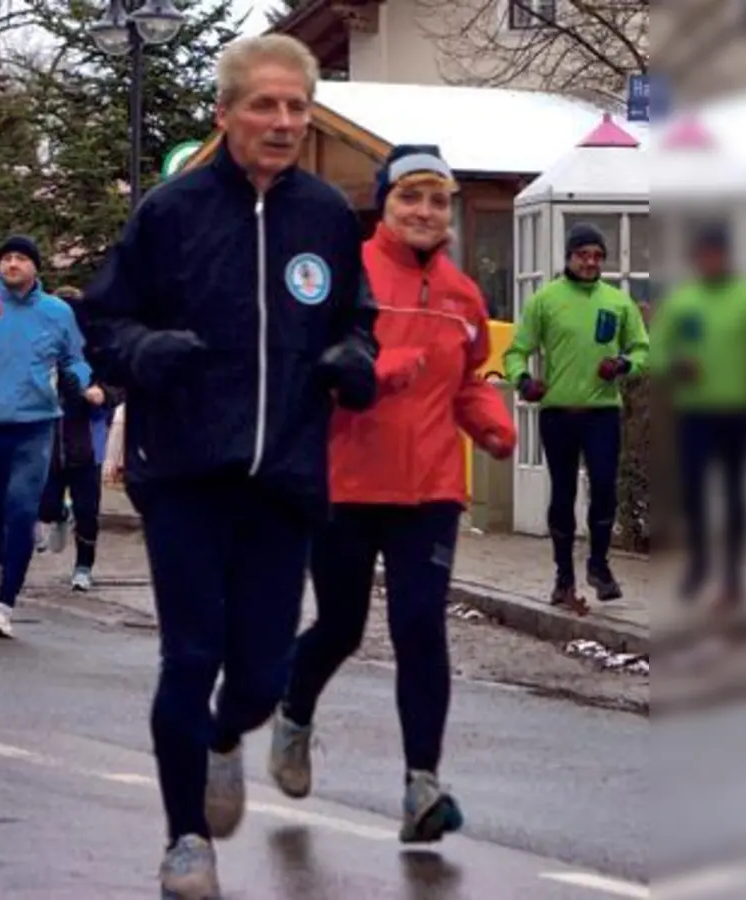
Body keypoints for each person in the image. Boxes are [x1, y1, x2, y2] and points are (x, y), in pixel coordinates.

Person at [78, 35, 378, 898]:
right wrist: (144, 349)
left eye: (296, 107)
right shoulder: (171, 213)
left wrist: (354, 356)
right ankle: (184, 841)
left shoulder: (324, 215)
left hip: (283, 474)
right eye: (265, 105)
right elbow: (103, 321)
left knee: (260, 674)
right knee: (192, 653)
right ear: (225, 114)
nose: (282, 122)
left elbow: (356, 318)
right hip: (185, 471)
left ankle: (222, 740)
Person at [270, 146, 516, 846]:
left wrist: (491, 426)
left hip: (431, 487)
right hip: (346, 480)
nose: (425, 213)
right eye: (411, 197)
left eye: (438, 201)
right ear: (385, 202)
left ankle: (422, 788)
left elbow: (468, 379)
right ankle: (293, 710)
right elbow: (312, 367)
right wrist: (378, 370)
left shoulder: (464, 294)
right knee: (341, 627)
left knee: (420, 628)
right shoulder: (345, 274)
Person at [0, 234, 93, 637]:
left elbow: (77, 359)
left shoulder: (57, 312)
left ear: (35, 267)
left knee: (21, 509)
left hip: (34, 424)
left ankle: (5, 603)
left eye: (20, 259)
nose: (11, 264)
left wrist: (74, 380)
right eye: (6, 258)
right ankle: (2, 560)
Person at [503, 224, 649, 612]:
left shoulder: (618, 302)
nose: (590, 262)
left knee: (604, 487)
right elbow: (516, 350)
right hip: (559, 413)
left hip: (602, 412)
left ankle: (599, 566)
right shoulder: (546, 300)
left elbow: (642, 350)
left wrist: (621, 364)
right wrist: (522, 380)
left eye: (598, 256)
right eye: (583, 254)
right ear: (569, 257)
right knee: (563, 493)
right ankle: (563, 578)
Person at [648, 223, 746, 611]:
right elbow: (656, 353)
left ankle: (733, 577)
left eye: (716, 254)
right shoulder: (684, 302)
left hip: (738, 410)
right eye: (704, 255)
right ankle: (699, 565)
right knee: (694, 492)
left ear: (726, 256)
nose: (710, 261)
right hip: (695, 413)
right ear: (697, 259)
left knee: (735, 494)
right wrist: (674, 364)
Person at [36, 285, 123, 593]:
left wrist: (102, 394)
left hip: (87, 444)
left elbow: (117, 386)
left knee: (88, 510)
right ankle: (59, 514)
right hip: (48, 442)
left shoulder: (96, 351)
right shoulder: (42, 347)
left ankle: (84, 566)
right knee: (44, 506)